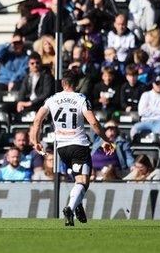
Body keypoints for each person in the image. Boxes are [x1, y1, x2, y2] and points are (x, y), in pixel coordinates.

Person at [29, 70, 114, 226]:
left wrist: (36, 141)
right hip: (79, 145)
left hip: (61, 148)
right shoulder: (81, 99)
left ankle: (77, 205)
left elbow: (37, 120)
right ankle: (70, 207)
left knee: (78, 179)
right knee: (84, 181)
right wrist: (106, 139)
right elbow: (94, 123)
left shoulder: (51, 99)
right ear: (77, 84)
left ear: (63, 83)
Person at [130, 75, 160, 139]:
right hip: (145, 121)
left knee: (158, 135)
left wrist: (150, 108)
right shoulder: (146, 95)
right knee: (134, 130)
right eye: (157, 83)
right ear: (153, 84)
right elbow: (141, 112)